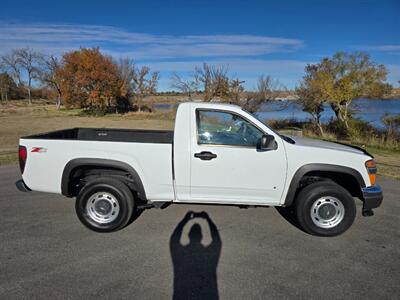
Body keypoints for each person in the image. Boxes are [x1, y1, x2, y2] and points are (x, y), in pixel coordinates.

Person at [170, 211, 222, 300]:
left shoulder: (182, 253)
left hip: (180, 294)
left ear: (188, 236)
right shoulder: (208, 253)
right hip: (210, 293)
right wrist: (208, 219)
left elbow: (173, 240)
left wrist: (185, 220)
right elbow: (217, 241)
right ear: (202, 236)